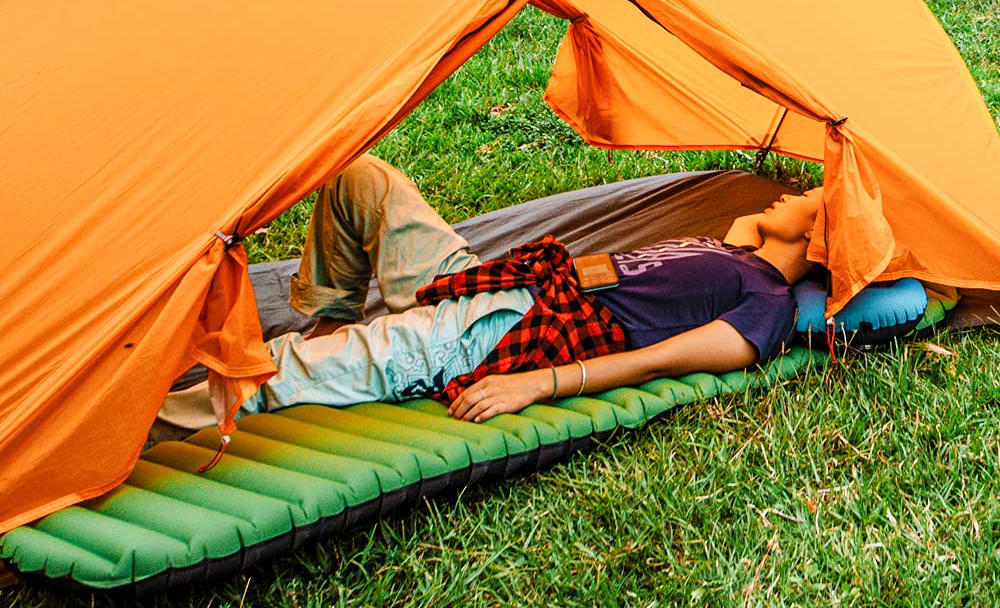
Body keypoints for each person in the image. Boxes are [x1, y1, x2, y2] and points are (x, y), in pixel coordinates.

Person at [157, 155, 822, 433]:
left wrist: (542, 384)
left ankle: (117, 438)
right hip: (487, 280)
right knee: (364, 179)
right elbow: (754, 228)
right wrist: (768, 228)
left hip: (495, 332)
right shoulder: (734, 252)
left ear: (822, 243)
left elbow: (664, 360)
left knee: (271, 372)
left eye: (811, 196)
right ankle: (333, 325)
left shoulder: (767, 303)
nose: (790, 190)